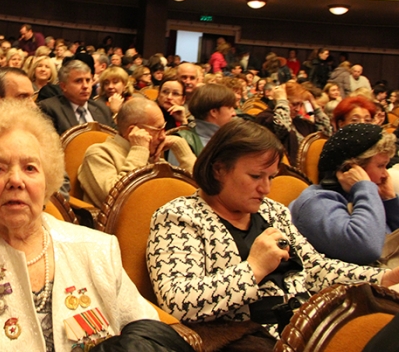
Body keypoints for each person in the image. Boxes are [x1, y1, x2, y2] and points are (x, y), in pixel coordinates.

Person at [0, 100, 164, 351]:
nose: (15, 180)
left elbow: (143, 327)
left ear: (47, 180)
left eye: (30, 168)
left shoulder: (96, 248)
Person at [148, 120, 399, 345]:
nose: (266, 188)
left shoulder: (272, 211)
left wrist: (381, 279)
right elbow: (178, 303)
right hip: (249, 338)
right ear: (219, 169)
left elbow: (314, 269)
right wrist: (253, 268)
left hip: (307, 325)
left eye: (271, 177)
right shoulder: (179, 217)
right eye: (256, 176)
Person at [290, 124, 399, 265]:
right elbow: (368, 249)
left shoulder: (365, 196)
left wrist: (389, 199)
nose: (385, 174)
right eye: (380, 166)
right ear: (351, 168)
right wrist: (364, 187)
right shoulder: (315, 203)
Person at [78, 97, 195, 207]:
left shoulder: (151, 155)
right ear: (133, 131)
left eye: (164, 128)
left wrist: (180, 147)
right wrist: (139, 150)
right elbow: (116, 200)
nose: (163, 136)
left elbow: (196, 191)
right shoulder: (99, 154)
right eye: (158, 130)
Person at [256, 82, 333, 167]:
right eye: (294, 104)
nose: (298, 109)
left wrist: (313, 103)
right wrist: (281, 100)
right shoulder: (266, 118)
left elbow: (325, 134)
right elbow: (282, 127)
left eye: (301, 104)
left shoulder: (299, 122)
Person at [168, 83, 237, 168]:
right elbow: (176, 180)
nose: (234, 113)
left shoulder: (231, 137)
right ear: (214, 112)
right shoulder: (183, 142)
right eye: (230, 108)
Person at [38, 60, 115, 135]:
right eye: (78, 81)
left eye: (88, 80)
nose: (85, 86)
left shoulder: (102, 108)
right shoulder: (49, 109)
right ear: (63, 86)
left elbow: (116, 138)